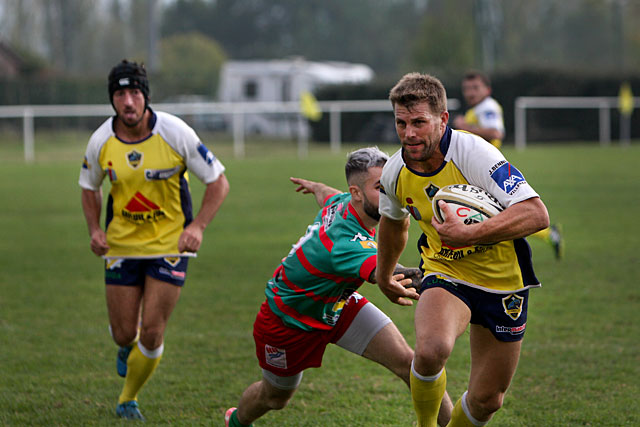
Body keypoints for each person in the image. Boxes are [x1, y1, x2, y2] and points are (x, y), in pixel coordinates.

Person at [224, 147, 452, 427]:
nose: (389, 195)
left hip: (337, 304)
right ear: (357, 193)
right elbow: (397, 275)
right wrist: (460, 278)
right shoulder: (346, 244)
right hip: (287, 323)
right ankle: (235, 422)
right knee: (274, 398)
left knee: (410, 363)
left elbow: (328, 195)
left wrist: (316, 186)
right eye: (380, 188)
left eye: (391, 185)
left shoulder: (345, 202)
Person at [375, 72, 550, 427]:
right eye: (401, 123)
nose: (409, 133)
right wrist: (384, 275)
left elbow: (536, 214)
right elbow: (393, 223)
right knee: (429, 350)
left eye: (419, 122)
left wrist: (474, 233)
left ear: (442, 119)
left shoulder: (477, 155)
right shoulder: (394, 171)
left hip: (504, 282)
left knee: (488, 400)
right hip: (446, 270)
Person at [79, 59, 229, 420]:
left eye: (134, 93)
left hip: (170, 245)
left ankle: (127, 398)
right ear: (112, 99)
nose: (128, 102)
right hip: (121, 245)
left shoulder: (175, 132)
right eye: (120, 94)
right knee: (123, 333)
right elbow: (89, 186)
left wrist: (198, 228)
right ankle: (125, 347)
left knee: (151, 332)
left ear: (145, 96)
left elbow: (218, 181)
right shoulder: (101, 140)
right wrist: (95, 230)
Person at [452, 70, 564, 259]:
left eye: (475, 88)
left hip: (486, 170)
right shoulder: (476, 109)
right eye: (467, 88)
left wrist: (464, 127)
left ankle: (546, 236)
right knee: (495, 212)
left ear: (487, 90)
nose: (470, 92)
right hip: (475, 168)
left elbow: (496, 133)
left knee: (502, 213)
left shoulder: (487, 107)